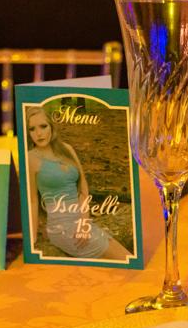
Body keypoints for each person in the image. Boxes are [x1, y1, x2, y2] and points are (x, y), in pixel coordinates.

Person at [25, 106, 131, 260]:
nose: (39, 133)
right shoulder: (30, 158)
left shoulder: (66, 149)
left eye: (43, 126)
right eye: (32, 129)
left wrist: (84, 222)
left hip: (82, 222)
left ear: (51, 127)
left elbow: (83, 187)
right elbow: (33, 201)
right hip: (62, 228)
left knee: (127, 258)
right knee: (124, 260)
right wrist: (32, 239)